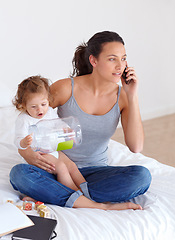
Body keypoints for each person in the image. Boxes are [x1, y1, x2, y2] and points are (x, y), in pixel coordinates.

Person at [10, 31, 152, 210]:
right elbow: (32, 112)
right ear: (94, 61)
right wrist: (27, 153)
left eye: (123, 59)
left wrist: (132, 96)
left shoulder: (123, 97)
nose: (120, 66)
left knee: (142, 176)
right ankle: (94, 203)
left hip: (94, 173)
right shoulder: (66, 88)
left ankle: (61, 195)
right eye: (112, 59)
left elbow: (136, 147)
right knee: (19, 174)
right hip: (54, 167)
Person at [12, 75, 86, 193]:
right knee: (61, 167)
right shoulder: (24, 119)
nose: (40, 110)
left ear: (48, 100)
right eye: (33, 106)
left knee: (72, 166)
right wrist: (24, 142)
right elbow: (17, 141)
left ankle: (86, 189)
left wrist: (67, 130)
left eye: (43, 104)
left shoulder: (50, 112)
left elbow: (59, 124)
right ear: (24, 105)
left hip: (53, 149)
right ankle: (74, 192)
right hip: (39, 154)